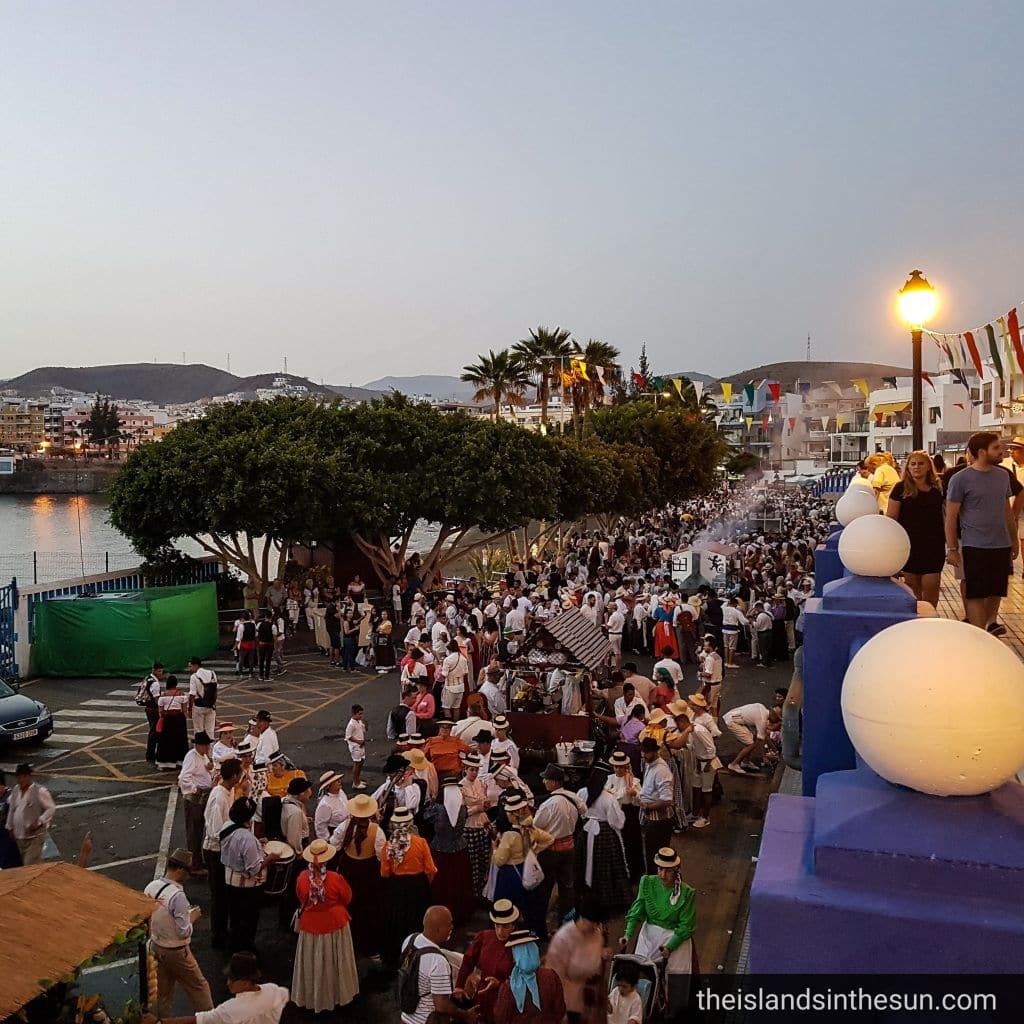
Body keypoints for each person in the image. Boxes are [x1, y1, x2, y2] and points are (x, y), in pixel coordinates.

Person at [945, 431, 1021, 631]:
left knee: (996, 591)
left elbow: (1006, 510)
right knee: (976, 592)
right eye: (996, 448)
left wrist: (1014, 540)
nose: (1001, 451)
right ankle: (978, 632)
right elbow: (951, 516)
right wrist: (952, 548)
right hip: (974, 545)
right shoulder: (960, 479)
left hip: (1001, 543)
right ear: (981, 451)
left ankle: (989, 625)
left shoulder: (1003, 476)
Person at [622, 847, 697, 1016]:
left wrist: (670, 946)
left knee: (676, 978)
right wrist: (628, 933)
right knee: (641, 973)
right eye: (660, 869)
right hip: (649, 935)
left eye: (668, 871)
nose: (663, 875)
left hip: (675, 937)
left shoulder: (687, 893)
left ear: (676, 870)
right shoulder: (647, 882)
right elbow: (638, 910)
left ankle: (675, 1014)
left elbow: (686, 925)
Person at [291, 838, 359, 1012]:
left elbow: (300, 897)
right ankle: (338, 993)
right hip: (335, 922)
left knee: (313, 962)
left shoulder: (302, 879)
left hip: (310, 924)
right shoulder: (336, 878)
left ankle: (314, 996)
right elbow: (347, 898)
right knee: (336, 961)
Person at [144, 848, 213, 1018]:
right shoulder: (178, 897)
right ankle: (211, 1020)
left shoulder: (151, 887)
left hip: (155, 945)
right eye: (188, 872)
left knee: (163, 993)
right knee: (199, 987)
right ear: (181, 870)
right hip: (175, 951)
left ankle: (163, 1021)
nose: (188, 877)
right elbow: (183, 932)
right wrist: (193, 917)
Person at [142, 951, 289, 1024]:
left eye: (232, 979)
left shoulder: (231, 1010)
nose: (228, 983)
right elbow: (286, 998)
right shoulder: (273, 990)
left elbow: (196, 1021)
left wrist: (158, 1022)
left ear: (246, 981)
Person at [219, 797, 280, 952]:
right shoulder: (246, 838)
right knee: (248, 923)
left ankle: (233, 951)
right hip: (247, 888)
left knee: (235, 920)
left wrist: (257, 842)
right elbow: (254, 869)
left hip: (230, 881)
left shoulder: (227, 826)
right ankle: (245, 954)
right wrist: (270, 858)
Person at [887, 449, 946, 607]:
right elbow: (891, 518)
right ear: (908, 468)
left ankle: (930, 618)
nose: (916, 467)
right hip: (909, 543)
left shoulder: (938, 488)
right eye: (913, 464)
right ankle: (916, 620)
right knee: (912, 586)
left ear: (928, 466)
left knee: (932, 584)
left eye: (921, 463)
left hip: (934, 544)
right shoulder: (900, 489)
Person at [400, 905, 479, 1024]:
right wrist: (465, 1015)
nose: (452, 927)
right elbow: (441, 1006)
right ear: (438, 929)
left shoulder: (410, 940)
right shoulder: (437, 961)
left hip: (405, 1017)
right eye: (449, 924)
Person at [331, 793, 387, 958]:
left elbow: (334, 844)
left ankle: (347, 942)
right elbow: (380, 856)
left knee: (347, 905)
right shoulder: (377, 831)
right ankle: (367, 946)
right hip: (368, 872)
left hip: (348, 869)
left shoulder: (345, 826)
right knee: (368, 908)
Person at [381, 805, 439, 964]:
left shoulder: (388, 846)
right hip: (418, 886)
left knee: (398, 922)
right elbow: (431, 869)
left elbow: (385, 873)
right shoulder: (420, 842)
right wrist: (426, 884)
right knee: (418, 920)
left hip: (397, 887)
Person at [532, 763, 586, 931]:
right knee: (567, 887)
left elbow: (536, 825)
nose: (544, 782)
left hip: (551, 851)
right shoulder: (574, 797)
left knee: (544, 888)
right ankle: (567, 923)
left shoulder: (549, 805)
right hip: (569, 848)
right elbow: (584, 811)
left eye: (546, 779)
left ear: (554, 782)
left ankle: (539, 925)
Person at [492, 793, 553, 939]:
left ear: (513, 814)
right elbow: (549, 839)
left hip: (510, 875)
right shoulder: (530, 829)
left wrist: (494, 848)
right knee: (530, 906)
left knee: (508, 907)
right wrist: (533, 852)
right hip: (526, 870)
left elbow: (499, 860)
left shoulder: (509, 836)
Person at [574, 764, 631, 918]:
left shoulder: (582, 792)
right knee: (606, 866)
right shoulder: (608, 798)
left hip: (586, 832)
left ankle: (585, 892)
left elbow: (580, 812)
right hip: (604, 834)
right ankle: (606, 899)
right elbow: (617, 821)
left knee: (585, 862)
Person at [544, 903, 609, 1024]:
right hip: (567, 1001)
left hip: (590, 997)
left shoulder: (596, 933)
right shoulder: (562, 939)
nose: (596, 927)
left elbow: (594, 956)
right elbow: (554, 977)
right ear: (583, 920)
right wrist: (560, 1011)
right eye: (593, 924)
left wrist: (601, 954)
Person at [203, 757, 243, 949]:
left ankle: (223, 931)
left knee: (225, 895)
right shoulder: (219, 797)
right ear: (234, 775)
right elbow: (215, 830)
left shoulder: (230, 790)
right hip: (215, 850)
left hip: (225, 848)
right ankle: (217, 936)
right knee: (218, 896)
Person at [456, 900, 518, 1023]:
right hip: (481, 997)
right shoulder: (484, 937)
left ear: (514, 925)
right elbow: (468, 961)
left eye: (505, 927)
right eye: (497, 925)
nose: (500, 931)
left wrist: (500, 984)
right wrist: (459, 985)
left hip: (506, 1000)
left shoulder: (521, 947)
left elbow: (525, 981)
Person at [424, 777, 475, 925]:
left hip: (440, 848)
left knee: (442, 884)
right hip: (459, 848)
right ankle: (461, 913)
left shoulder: (437, 809)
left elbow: (426, 817)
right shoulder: (463, 809)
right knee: (459, 882)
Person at [492, 929, 566, 1024]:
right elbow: (560, 1011)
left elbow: (500, 1018)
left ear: (516, 957)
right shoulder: (551, 976)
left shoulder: (509, 987)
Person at [5, 763, 55, 865]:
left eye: (23, 777)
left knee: (29, 864)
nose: (20, 780)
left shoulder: (40, 791)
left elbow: (51, 808)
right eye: (18, 777)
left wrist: (40, 821)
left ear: (29, 777)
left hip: (35, 838)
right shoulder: (15, 790)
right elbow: (12, 809)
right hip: (20, 837)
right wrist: (10, 827)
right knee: (30, 863)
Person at [178, 731, 213, 874]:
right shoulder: (191, 757)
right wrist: (194, 788)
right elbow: (183, 778)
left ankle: (198, 861)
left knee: (199, 831)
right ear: (199, 745)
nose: (208, 748)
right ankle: (194, 865)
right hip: (194, 799)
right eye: (206, 745)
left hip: (203, 797)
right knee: (194, 832)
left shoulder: (203, 756)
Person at [606, 750, 644, 881]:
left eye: (621, 767)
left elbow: (641, 800)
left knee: (630, 844)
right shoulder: (608, 779)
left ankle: (632, 874)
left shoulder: (634, 781)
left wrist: (634, 794)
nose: (618, 769)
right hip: (613, 814)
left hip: (629, 815)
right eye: (616, 766)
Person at [638, 738, 674, 872]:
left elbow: (666, 800)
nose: (643, 755)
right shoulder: (650, 764)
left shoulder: (661, 771)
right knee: (650, 853)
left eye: (646, 752)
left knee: (656, 855)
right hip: (651, 817)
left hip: (659, 820)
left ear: (655, 752)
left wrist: (648, 807)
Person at [722, 702, 778, 775]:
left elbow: (763, 735)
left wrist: (774, 750)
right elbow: (761, 740)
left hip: (734, 716)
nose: (777, 721)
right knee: (750, 744)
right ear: (773, 715)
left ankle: (745, 761)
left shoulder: (762, 708)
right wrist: (764, 757)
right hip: (732, 721)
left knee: (752, 740)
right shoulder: (762, 720)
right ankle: (734, 764)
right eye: (778, 718)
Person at [156, 674, 190, 771]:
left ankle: (166, 763)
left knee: (166, 741)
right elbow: (184, 710)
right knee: (180, 740)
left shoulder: (163, 696)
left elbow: (161, 712)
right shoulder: (181, 695)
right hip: (179, 719)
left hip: (168, 720)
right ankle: (180, 762)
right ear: (176, 684)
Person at [140, 661, 166, 763]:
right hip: (153, 709)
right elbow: (157, 699)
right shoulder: (155, 683)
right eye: (159, 671)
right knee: (154, 732)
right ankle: (150, 755)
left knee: (153, 730)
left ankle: (150, 754)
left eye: (161, 671)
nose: (161, 673)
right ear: (154, 670)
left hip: (148, 708)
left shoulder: (147, 678)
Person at [313, 770, 349, 840]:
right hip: (335, 833)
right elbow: (320, 826)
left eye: (338, 779)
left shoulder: (341, 792)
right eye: (336, 781)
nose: (339, 781)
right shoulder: (325, 805)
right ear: (328, 786)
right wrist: (327, 840)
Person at [188, 657, 218, 738]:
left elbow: (192, 695)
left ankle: (199, 749)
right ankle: (210, 750)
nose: (189, 669)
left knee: (198, 731)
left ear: (196, 665)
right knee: (210, 731)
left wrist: (190, 709)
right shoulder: (212, 673)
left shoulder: (194, 677)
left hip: (198, 707)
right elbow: (215, 691)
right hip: (210, 706)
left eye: (190, 666)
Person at [607, 959, 643, 1024]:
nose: (620, 989)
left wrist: (633, 1021)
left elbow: (635, 1016)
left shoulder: (636, 999)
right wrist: (607, 1004)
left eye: (624, 986)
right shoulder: (615, 991)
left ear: (633, 986)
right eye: (619, 985)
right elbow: (611, 1010)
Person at [345, 703, 367, 790]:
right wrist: (358, 741)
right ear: (354, 714)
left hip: (361, 745)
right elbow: (348, 736)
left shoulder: (359, 721)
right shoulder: (351, 724)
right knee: (357, 764)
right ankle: (355, 782)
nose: (361, 716)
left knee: (361, 762)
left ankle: (358, 779)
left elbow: (364, 730)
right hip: (355, 747)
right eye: (359, 714)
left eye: (362, 714)